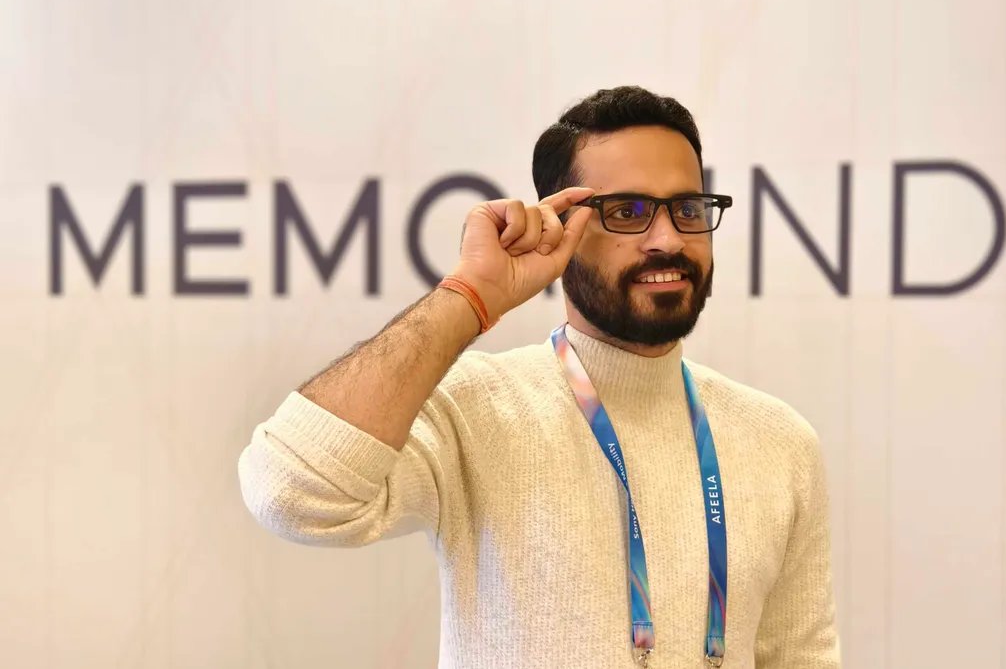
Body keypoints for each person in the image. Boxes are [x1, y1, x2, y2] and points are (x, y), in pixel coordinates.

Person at [238, 86, 840, 668]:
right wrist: (469, 296)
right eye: (627, 212)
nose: (667, 239)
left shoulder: (778, 440)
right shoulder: (473, 407)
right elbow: (291, 493)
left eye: (686, 209)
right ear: (560, 227)